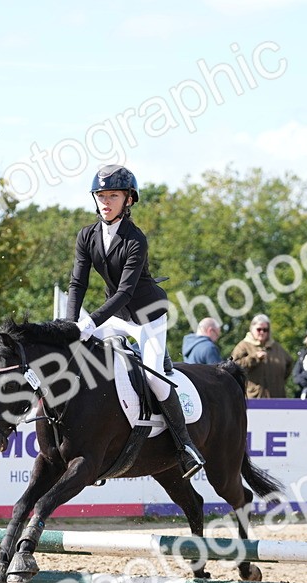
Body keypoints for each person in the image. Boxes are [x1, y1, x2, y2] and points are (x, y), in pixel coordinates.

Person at [63, 164, 204, 478]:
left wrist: (90, 322)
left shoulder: (135, 239)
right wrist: (70, 326)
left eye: (113, 195)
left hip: (146, 319)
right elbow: (77, 285)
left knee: (154, 379)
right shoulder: (86, 235)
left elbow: (126, 291)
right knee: (80, 355)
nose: (106, 201)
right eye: (101, 195)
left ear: (128, 200)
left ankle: (185, 445)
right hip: (115, 316)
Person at [231, 314, 292, 398]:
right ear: (252, 329)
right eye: (259, 329)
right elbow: (234, 366)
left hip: (277, 397)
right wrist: (254, 358)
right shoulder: (243, 346)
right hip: (253, 397)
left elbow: (289, 363)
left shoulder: (276, 347)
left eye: (265, 330)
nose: (262, 332)